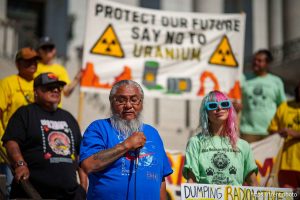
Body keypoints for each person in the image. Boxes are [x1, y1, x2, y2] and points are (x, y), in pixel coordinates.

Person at [79, 80, 173, 200]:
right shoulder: (99, 128)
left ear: (141, 103)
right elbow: (88, 164)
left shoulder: (153, 133)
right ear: (112, 102)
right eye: (121, 100)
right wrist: (126, 145)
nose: (128, 105)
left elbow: (161, 179)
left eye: (134, 100)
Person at [2, 72, 87, 199]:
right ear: (36, 91)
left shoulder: (68, 117)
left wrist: (83, 188)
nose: (56, 90)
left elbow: (81, 155)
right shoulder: (25, 113)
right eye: (49, 87)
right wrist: (20, 164)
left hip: (69, 195)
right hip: (31, 193)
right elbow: (11, 142)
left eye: (58, 87)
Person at [183, 90, 258, 186]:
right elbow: (191, 183)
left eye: (224, 104)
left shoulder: (244, 145)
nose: (219, 108)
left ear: (229, 109)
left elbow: (253, 183)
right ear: (206, 112)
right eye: (213, 105)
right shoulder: (195, 142)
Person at [0, 47, 40, 197]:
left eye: (35, 60)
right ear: (18, 63)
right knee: (12, 188)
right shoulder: (7, 83)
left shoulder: (41, 84)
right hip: (11, 149)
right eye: (28, 61)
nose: (33, 64)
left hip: (33, 150)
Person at [240, 49, 286, 143]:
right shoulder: (243, 78)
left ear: (267, 63)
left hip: (270, 131)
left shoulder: (276, 81)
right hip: (248, 131)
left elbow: (282, 106)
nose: (255, 63)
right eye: (254, 60)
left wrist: (281, 127)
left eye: (259, 61)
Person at [268, 82, 300, 189]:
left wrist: (295, 134)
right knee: (289, 196)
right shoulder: (284, 106)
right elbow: (272, 130)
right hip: (286, 164)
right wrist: (281, 132)